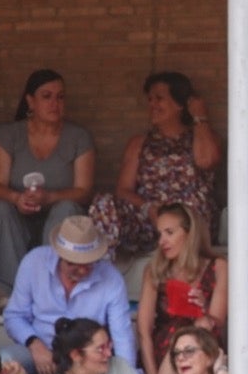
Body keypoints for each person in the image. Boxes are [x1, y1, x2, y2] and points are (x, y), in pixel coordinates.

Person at [0, 70, 96, 291]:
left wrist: (50, 197)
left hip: (59, 220)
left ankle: (51, 288)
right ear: (30, 101)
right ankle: (16, 292)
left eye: (60, 97)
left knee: (66, 208)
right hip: (20, 220)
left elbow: (84, 191)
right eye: (47, 96)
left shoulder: (78, 137)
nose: (55, 103)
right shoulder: (10, 134)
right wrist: (17, 198)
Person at [88, 71, 219, 257]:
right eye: (150, 99)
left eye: (159, 98)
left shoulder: (203, 137)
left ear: (180, 104)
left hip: (189, 221)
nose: (152, 104)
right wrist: (147, 207)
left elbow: (207, 161)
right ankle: (102, 267)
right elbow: (123, 190)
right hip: (150, 222)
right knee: (103, 202)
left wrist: (199, 116)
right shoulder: (139, 143)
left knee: (191, 206)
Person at [136, 202, 228, 374]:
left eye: (169, 233)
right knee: (178, 342)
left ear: (190, 233)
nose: (162, 241)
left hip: (204, 345)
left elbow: (216, 322)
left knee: (196, 332)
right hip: (165, 349)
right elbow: (143, 331)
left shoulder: (218, 266)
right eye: (159, 234)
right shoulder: (155, 270)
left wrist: (202, 309)